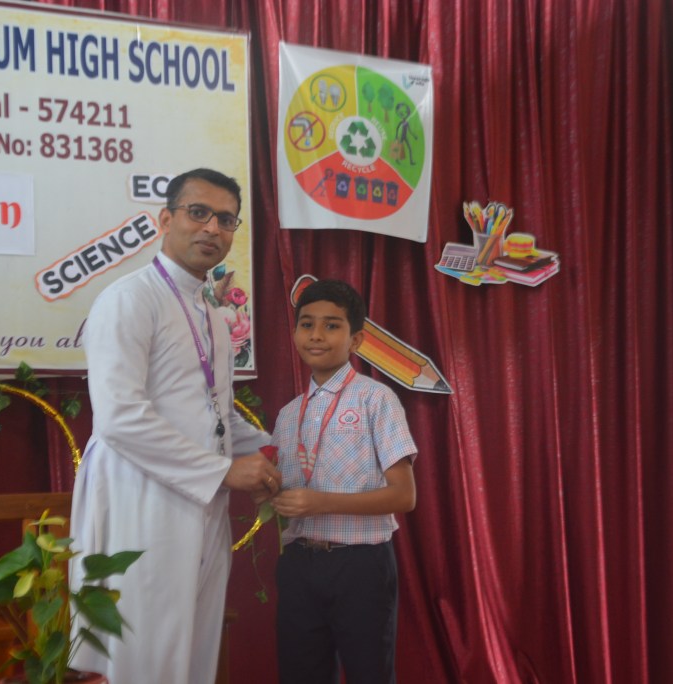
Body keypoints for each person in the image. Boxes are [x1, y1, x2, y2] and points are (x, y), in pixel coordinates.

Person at [69, 168, 281, 684]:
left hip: (201, 502)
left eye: (226, 219)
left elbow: (218, 414)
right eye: (198, 213)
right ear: (165, 220)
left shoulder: (212, 314)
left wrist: (279, 452)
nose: (212, 228)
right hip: (140, 499)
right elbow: (119, 417)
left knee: (194, 646)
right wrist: (224, 472)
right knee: (142, 650)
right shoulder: (129, 299)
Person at [271, 279, 418, 684]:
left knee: (369, 673)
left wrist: (321, 502)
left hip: (360, 564)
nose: (317, 335)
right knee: (300, 675)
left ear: (356, 340)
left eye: (332, 325)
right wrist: (268, 489)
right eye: (307, 324)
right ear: (295, 333)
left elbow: (404, 495)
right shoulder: (288, 414)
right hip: (298, 563)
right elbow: (285, 488)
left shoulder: (376, 399)